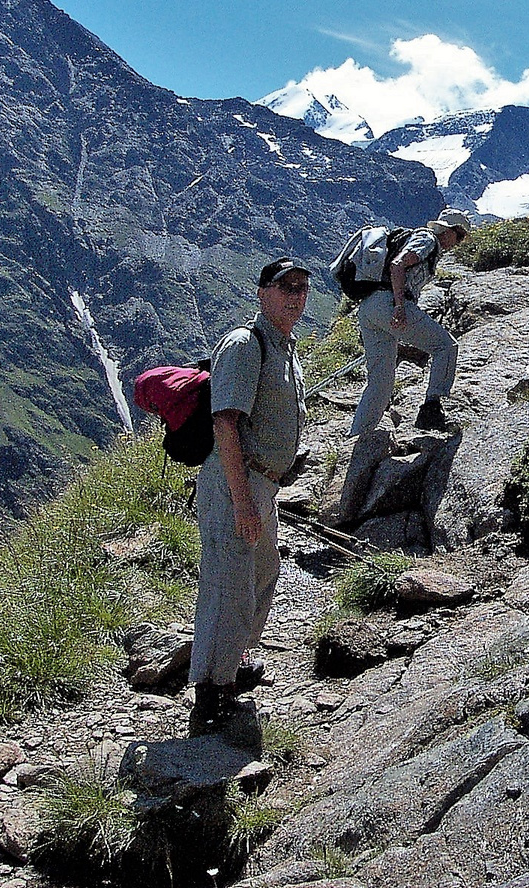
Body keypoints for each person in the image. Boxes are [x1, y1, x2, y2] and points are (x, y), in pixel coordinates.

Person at [189, 257, 310, 737]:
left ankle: (231, 669)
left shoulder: (286, 347)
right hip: (235, 483)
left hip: (264, 483)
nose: (296, 297)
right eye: (286, 288)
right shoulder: (246, 344)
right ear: (262, 293)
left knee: (262, 574)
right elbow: (225, 423)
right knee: (228, 584)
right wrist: (242, 502)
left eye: (302, 288)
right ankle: (209, 694)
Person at [350, 208, 472, 435]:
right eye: (460, 236)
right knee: (446, 346)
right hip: (389, 304)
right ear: (450, 232)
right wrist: (399, 305)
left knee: (380, 382)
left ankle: (358, 436)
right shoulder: (428, 240)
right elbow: (397, 265)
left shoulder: (422, 239)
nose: (459, 242)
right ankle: (431, 410)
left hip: (369, 307)